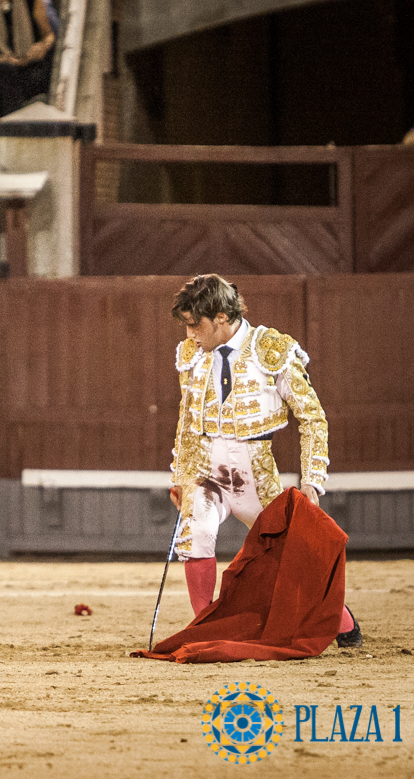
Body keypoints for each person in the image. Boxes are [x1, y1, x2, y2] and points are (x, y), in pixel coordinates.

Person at [168, 274, 362, 648]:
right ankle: (203, 626)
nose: (190, 333)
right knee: (196, 533)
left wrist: (312, 479)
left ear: (221, 317)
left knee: (293, 555)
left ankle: (342, 622)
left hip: (254, 472)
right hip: (207, 470)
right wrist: (181, 478)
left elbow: (312, 416)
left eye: (196, 324)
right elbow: (187, 421)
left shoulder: (271, 349)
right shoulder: (192, 355)